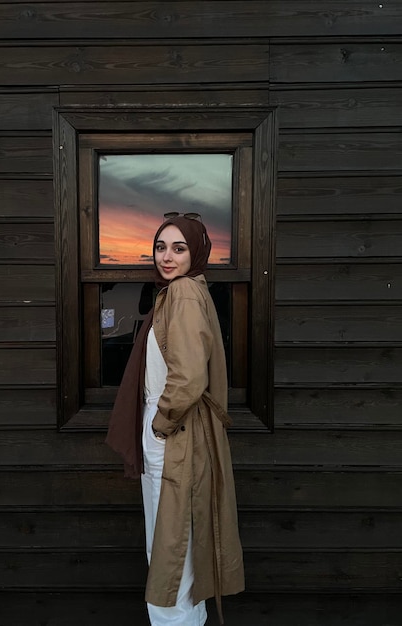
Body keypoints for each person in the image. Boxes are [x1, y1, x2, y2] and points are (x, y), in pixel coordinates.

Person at [106, 213, 245, 625]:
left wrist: (160, 423)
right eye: (161, 247)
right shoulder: (188, 291)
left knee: (170, 550)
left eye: (179, 248)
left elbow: (187, 379)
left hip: (173, 432)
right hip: (177, 430)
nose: (167, 257)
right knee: (180, 544)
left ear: (196, 253)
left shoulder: (182, 293)